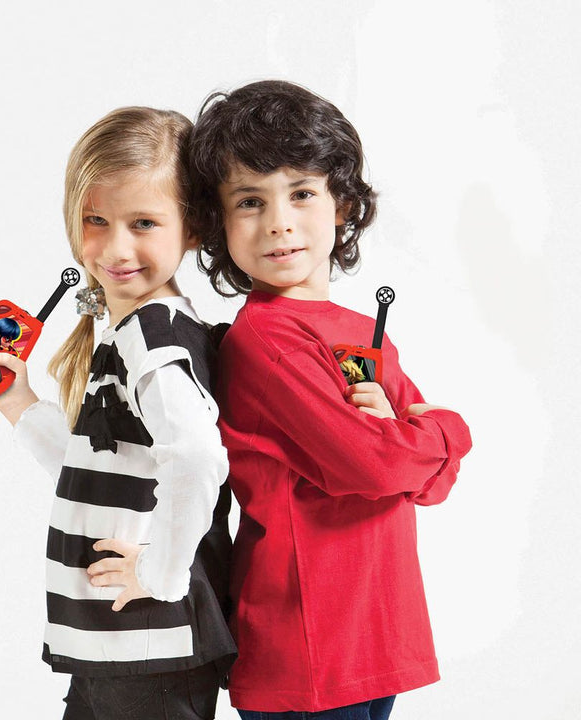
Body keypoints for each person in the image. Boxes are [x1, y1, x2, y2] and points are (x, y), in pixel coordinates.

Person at [187, 80, 473, 720]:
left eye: (302, 192)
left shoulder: (359, 331)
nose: (279, 221)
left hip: (374, 633)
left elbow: (432, 484)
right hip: (308, 647)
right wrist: (448, 430)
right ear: (218, 224)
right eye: (250, 201)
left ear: (341, 203)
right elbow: (378, 465)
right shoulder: (267, 341)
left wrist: (413, 447)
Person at [0, 107, 236, 720]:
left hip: (149, 643)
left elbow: (197, 459)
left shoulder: (154, 339)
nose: (116, 247)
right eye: (96, 220)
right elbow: (103, 466)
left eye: (144, 223)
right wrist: (15, 400)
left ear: (193, 227)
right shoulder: (136, 331)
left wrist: (159, 576)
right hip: (117, 642)